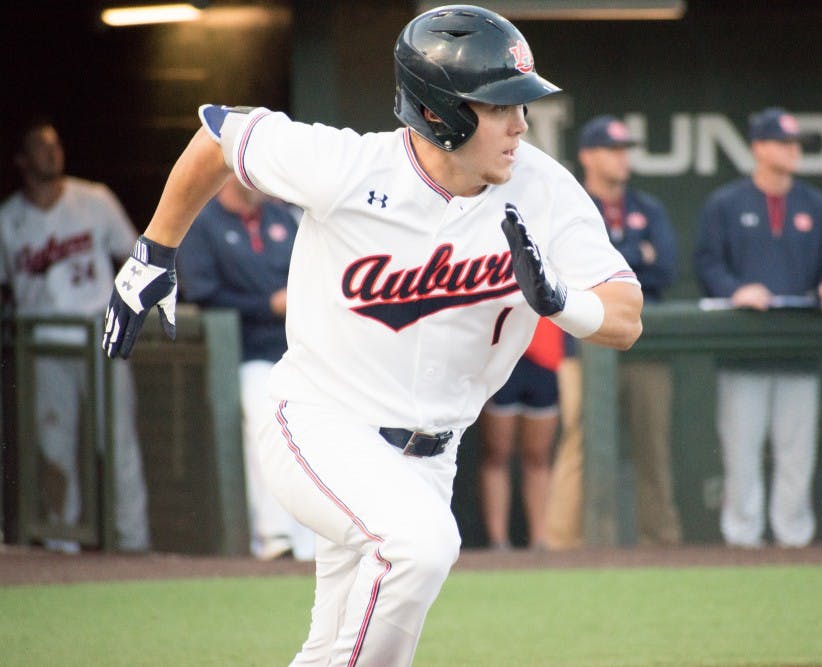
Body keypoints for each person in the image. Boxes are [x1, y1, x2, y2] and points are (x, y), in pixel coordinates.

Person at [100, 5, 642, 666]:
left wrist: (563, 301)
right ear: (440, 111)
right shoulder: (349, 167)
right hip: (321, 423)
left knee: (339, 648)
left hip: (432, 457)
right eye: (500, 106)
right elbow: (219, 135)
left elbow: (624, 315)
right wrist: (157, 251)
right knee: (420, 546)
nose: (520, 124)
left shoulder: (543, 188)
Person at [693, 107, 822, 548]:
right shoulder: (726, 202)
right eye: (783, 142)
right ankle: (742, 541)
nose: (792, 150)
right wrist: (737, 290)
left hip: (799, 348)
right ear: (758, 148)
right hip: (744, 347)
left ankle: (793, 540)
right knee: (741, 453)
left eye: (795, 143)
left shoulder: (816, 205)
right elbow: (707, 263)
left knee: (796, 455)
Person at [0, 118, 150, 553]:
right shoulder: (8, 220)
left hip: (100, 335)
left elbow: (134, 254)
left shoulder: (95, 200)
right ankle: (61, 547)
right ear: (21, 160)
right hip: (42, 346)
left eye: (56, 145)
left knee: (119, 442)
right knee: (53, 446)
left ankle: (134, 544)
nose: (52, 153)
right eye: (40, 147)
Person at [176, 175, 313, 561]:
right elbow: (204, 295)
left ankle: (310, 540)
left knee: (316, 432)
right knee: (267, 421)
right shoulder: (204, 223)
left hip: (297, 352)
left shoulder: (283, 216)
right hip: (240, 353)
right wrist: (267, 305)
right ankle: (274, 536)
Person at [576, 114, 682, 546]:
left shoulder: (647, 208)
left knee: (652, 450)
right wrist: (637, 254)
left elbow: (665, 270)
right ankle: (572, 545)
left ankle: (660, 542)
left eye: (625, 150)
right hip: (581, 345)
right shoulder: (573, 201)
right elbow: (571, 272)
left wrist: (612, 262)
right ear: (587, 155)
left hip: (643, 344)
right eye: (612, 150)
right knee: (578, 450)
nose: (623, 159)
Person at [477, 317, 563, 550]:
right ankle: (498, 541)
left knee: (538, 455)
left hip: (544, 359)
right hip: (502, 358)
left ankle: (539, 540)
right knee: (497, 454)